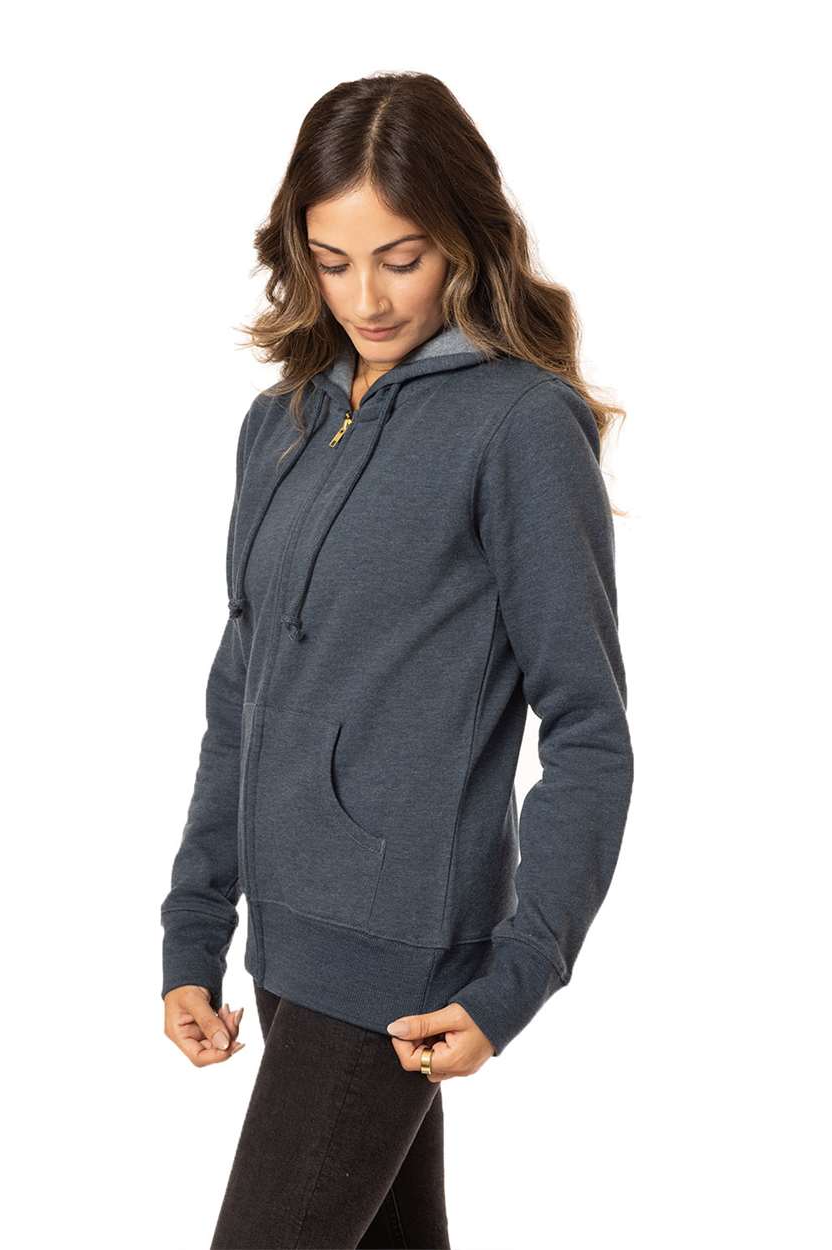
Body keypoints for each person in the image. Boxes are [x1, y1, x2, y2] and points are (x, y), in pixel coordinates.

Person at [160, 70, 635, 1249]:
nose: (366, 296)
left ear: (463, 242)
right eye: (332, 261)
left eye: (402, 258)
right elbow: (242, 689)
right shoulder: (280, 424)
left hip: (397, 957)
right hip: (284, 947)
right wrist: (194, 926)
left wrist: (518, 974)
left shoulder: (519, 425)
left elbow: (587, 728)